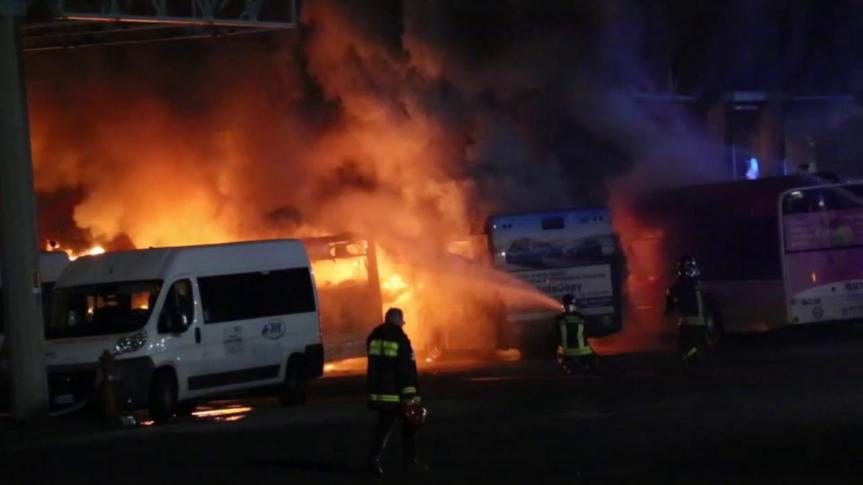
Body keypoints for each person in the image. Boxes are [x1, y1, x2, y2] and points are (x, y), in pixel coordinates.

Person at [366, 308, 426, 475]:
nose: (403, 324)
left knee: (383, 427)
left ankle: (373, 458)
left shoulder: (374, 337)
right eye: (402, 321)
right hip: (401, 392)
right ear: (397, 320)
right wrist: (411, 396)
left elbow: (376, 367)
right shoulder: (400, 338)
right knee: (410, 426)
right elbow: (405, 370)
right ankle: (411, 461)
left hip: (380, 392)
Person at [665, 256, 709, 364]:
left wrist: (670, 304)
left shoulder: (676, 287)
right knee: (692, 347)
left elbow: (669, 309)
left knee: (684, 345)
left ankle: (695, 364)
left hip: (687, 323)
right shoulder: (698, 285)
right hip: (703, 324)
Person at [555, 294, 599, 374]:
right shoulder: (581, 317)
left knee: (558, 353)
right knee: (594, 360)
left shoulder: (559, 319)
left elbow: (556, 334)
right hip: (584, 352)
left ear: (562, 305)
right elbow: (589, 332)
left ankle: (567, 367)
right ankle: (586, 367)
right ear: (574, 305)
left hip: (566, 353)